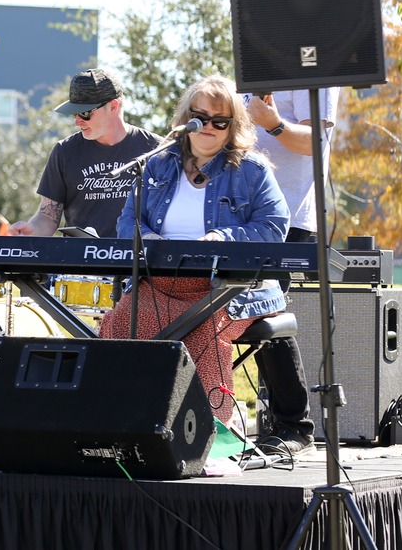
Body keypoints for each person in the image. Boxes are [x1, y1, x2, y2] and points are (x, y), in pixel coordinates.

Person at [99, 74, 290, 427]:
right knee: (119, 323)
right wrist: (148, 239)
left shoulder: (252, 170)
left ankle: (207, 437)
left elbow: (274, 225)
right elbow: (128, 221)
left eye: (221, 121)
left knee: (204, 337)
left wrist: (225, 238)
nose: (209, 127)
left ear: (233, 126)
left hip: (228, 288)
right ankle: (121, 425)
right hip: (159, 284)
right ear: (187, 118)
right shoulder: (155, 164)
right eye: (201, 118)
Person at [245, 88, 341, 455]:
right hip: (238, 214)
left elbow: (316, 143)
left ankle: (295, 427)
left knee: (264, 307)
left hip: (285, 214)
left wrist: (273, 124)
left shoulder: (309, 73)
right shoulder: (250, 70)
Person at [7, 68, 160, 238]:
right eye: (74, 113)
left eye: (85, 113)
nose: (77, 121)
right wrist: (31, 231)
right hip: (79, 260)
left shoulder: (156, 149)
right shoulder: (65, 151)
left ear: (113, 106)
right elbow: (48, 216)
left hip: (137, 261)